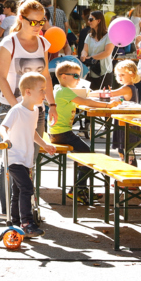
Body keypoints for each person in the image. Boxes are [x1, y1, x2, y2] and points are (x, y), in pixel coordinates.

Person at [0, 0, 57, 214]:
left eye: (42, 22)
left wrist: (53, 105)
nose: (39, 27)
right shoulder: (8, 43)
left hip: (36, 110)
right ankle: (8, 213)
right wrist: (16, 107)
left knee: (30, 157)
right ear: (21, 19)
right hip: (11, 108)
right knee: (12, 160)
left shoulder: (42, 43)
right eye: (34, 22)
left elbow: (46, 76)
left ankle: (25, 210)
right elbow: (0, 77)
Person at [0, 72, 55, 238]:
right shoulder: (16, 110)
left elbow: (32, 132)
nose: (45, 94)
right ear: (28, 92)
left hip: (26, 158)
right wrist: (6, 137)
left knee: (18, 191)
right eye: (42, 90)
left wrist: (44, 144)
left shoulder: (36, 110)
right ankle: (27, 223)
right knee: (27, 188)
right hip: (14, 158)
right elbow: (3, 127)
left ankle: (15, 222)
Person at [49, 61, 109, 203]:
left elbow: (84, 98)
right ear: (64, 76)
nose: (78, 79)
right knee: (88, 157)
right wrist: (107, 105)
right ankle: (77, 189)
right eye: (75, 76)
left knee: (85, 156)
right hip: (63, 133)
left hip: (57, 132)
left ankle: (82, 189)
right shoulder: (65, 91)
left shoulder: (59, 89)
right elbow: (85, 102)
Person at [80, 10, 114, 90]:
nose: (89, 21)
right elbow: (85, 49)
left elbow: (107, 52)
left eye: (91, 19)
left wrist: (91, 57)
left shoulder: (109, 35)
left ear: (99, 21)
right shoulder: (89, 36)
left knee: (105, 97)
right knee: (91, 97)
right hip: (91, 72)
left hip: (105, 72)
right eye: (88, 19)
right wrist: (83, 55)